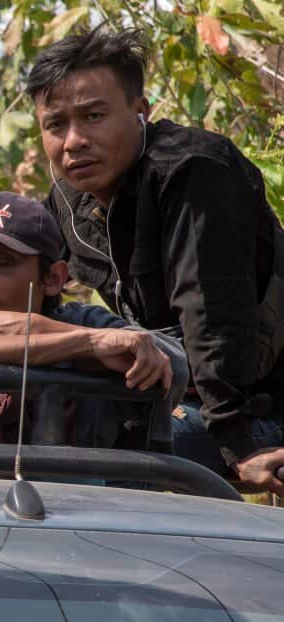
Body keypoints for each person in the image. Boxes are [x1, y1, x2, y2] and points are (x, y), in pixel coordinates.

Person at [25, 24, 284, 493]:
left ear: (140, 111)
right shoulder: (70, 199)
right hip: (168, 394)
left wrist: (239, 446)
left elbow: (208, 310)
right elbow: (18, 268)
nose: (74, 140)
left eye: (94, 116)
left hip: (255, 412)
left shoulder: (193, 170)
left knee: (84, 469)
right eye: (55, 124)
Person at [0, 192, 186, 453]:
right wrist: (86, 343)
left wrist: (36, 327)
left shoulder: (82, 320)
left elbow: (165, 361)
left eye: (1, 263)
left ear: (53, 278)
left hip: (75, 507)